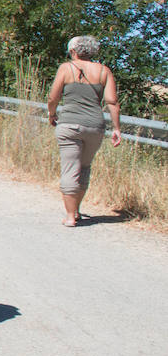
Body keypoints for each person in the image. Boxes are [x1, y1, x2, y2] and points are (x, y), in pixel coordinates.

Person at [46, 35, 121, 227]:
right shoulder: (104, 71)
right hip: (95, 126)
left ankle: (71, 216)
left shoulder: (66, 68)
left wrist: (52, 114)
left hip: (69, 124)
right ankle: (77, 209)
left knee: (70, 167)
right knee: (84, 167)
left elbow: (53, 97)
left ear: (73, 51)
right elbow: (112, 102)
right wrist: (116, 128)